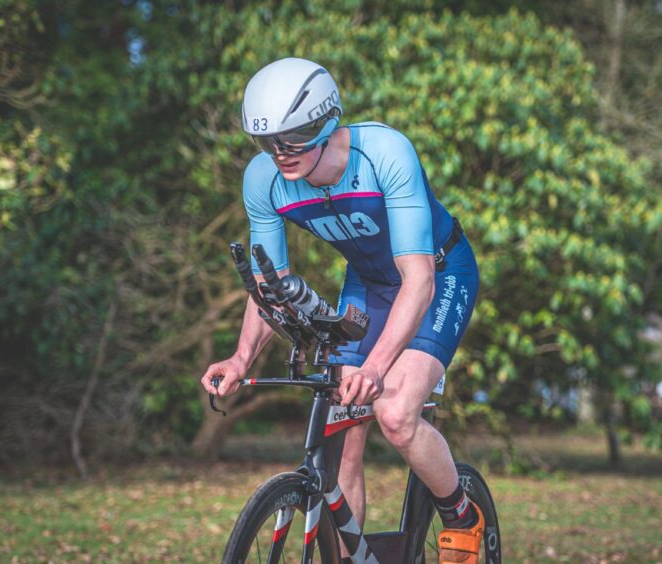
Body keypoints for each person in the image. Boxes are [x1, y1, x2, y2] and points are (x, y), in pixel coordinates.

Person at [200, 57, 482, 563]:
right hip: (370, 284)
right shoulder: (263, 181)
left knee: (394, 413)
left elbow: (418, 282)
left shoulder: (385, 153)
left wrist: (376, 368)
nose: (280, 153)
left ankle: (461, 512)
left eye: (294, 137)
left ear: (326, 122)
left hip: (438, 273)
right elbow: (271, 283)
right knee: (340, 432)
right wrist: (241, 359)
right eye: (267, 142)